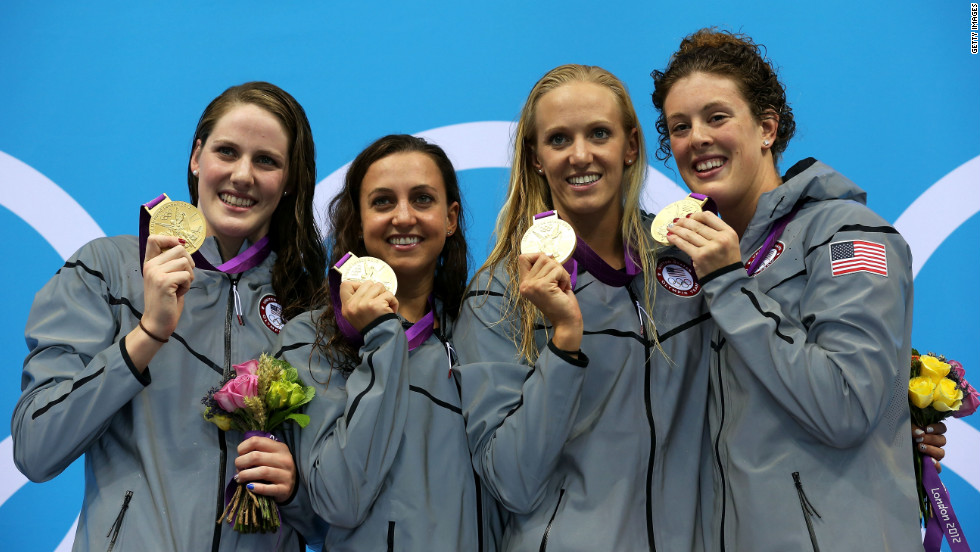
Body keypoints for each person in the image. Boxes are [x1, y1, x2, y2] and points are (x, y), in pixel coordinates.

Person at [11, 81, 326, 551]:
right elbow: (37, 448)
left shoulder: (309, 306)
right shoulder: (107, 270)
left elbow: (336, 522)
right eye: (226, 151)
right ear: (196, 156)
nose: (243, 175)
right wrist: (147, 334)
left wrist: (298, 491)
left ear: (289, 182)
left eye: (266, 161)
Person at [652, 28, 927, 551]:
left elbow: (846, 407)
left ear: (767, 128)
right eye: (679, 127)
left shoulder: (846, 234)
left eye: (717, 117)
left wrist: (730, 284)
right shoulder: (681, 258)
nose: (697, 139)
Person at [453, 64, 712, 551]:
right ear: (535, 156)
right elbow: (511, 480)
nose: (580, 155)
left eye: (599, 133)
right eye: (558, 139)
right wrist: (564, 344)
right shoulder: (500, 292)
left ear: (631, 145)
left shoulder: (688, 257)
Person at [267, 134, 493, 551]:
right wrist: (383, 336)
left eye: (423, 199)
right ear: (357, 221)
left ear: (451, 218)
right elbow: (339, 500)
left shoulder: (479, 330)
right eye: (383, 201)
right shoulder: (311, 339)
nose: (403, 217)